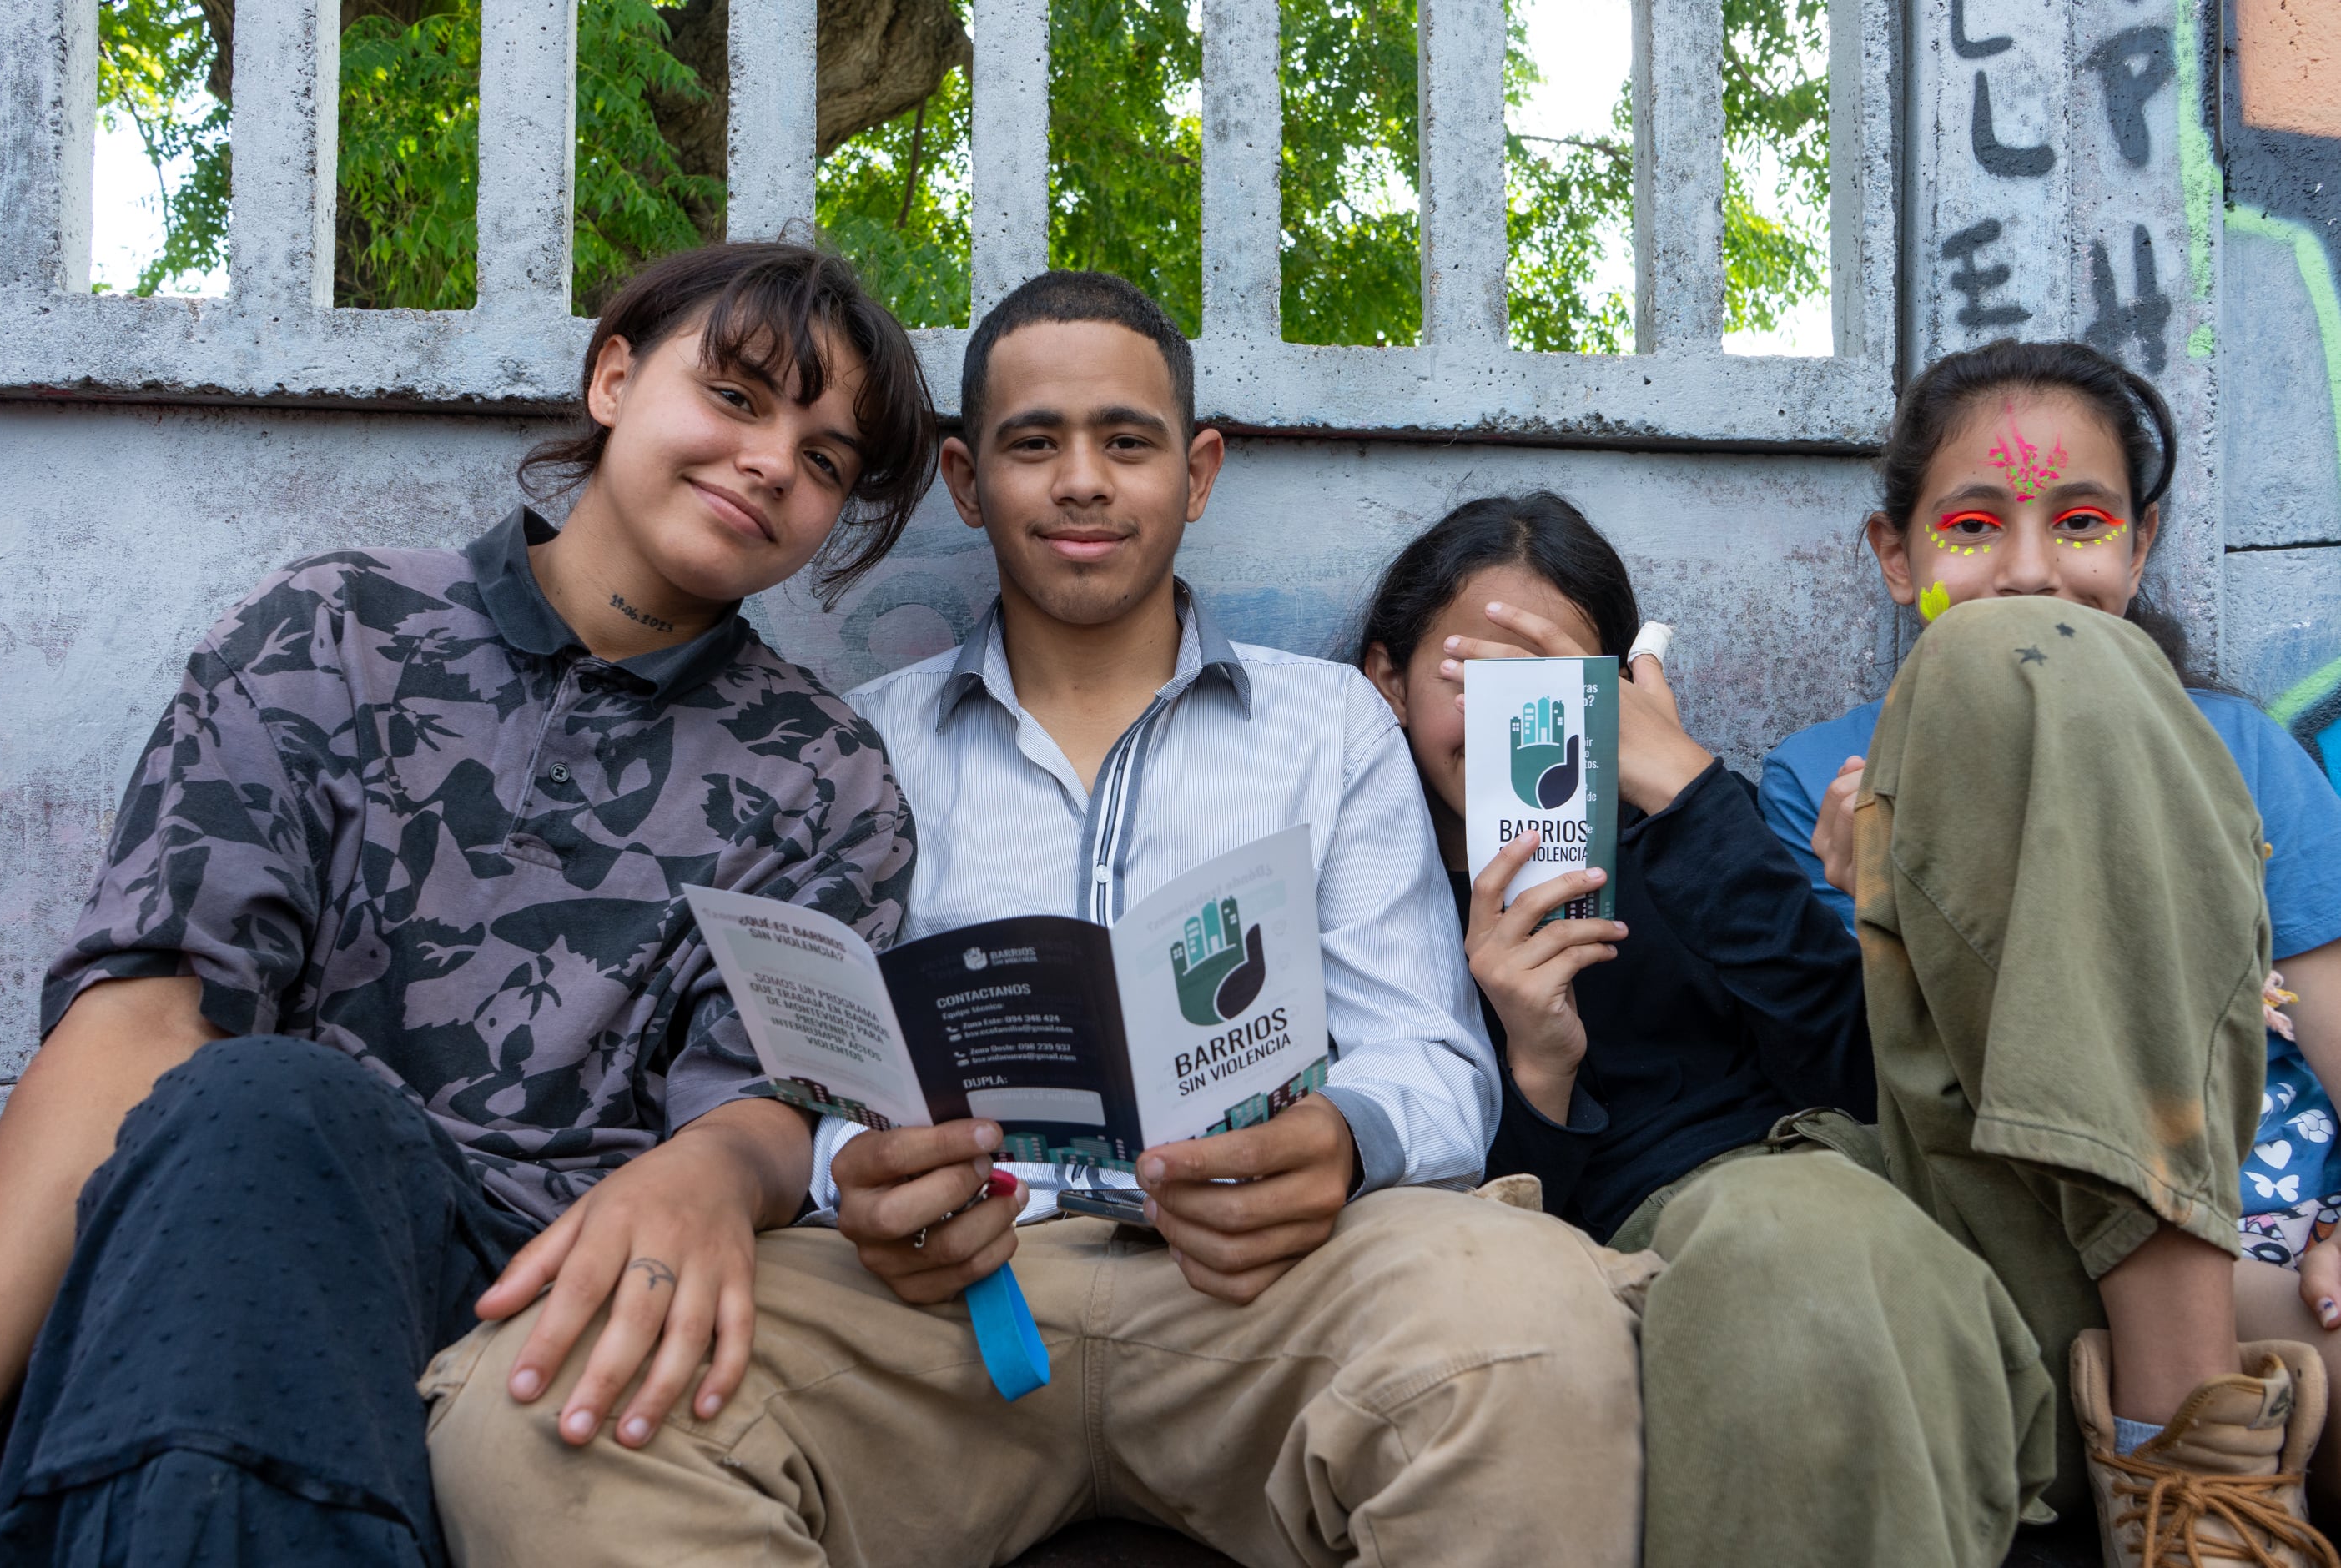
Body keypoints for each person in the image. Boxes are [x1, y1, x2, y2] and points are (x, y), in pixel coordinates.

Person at [422, 270, 1651, 1567]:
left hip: (1274, 1281)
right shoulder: (856, 744)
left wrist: (1341, 1141)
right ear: (965, 480)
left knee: (1533, 1327)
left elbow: (1432, 1057)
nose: (1080, 481)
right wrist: (861, 1177)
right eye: (1032, 444)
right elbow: (789, 1073)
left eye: (1126, 441)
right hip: (936, 1306)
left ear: (1199, 470)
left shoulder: (1330, 723)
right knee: (550, 1415)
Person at [0, 240, 935, 1565]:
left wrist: (723, 1165)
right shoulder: (336, 631)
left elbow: (768, 1115)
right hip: (241, 1228)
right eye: (736, 397)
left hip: (540, 1300)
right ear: (614, 378)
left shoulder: (825, 776)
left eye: (827, 460)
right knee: (261, 1106)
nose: (776, 461)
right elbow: (144, 1019)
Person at [1358, 492, 2062, 1568]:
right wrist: (1538, 1069)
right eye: (1472, 682)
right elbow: (1454, 1218)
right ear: (1385, 681)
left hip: (1813, 1186)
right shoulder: (1365, 885)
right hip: (1608, 1242)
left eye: (1555, 690)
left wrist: (1685, 789)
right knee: (1782, 1254)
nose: (1515, 727)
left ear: (1622, 692)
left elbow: (1851, 1070)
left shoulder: (1684, 822)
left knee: (1804, 1244)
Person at [1760, 339, 2341, 1565]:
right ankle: (2189, 1459)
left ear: (2139, 545)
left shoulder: (2241, 748)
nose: (2030, 571)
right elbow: (1885, 1098)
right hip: (2020, 1240)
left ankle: (2179, 1427)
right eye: (1973, 527)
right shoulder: (1817, 779)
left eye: (2079, 522)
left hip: (2281, 1258)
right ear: (1895, 554)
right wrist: (1873, 912)